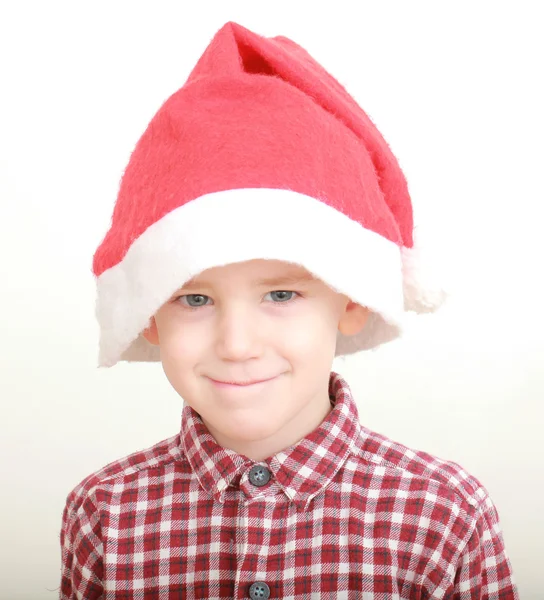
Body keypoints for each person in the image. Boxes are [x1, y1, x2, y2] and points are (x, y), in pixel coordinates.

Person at [59, 20, 519, 599]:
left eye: (281, 295)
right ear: (150, 315)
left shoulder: (443, 515)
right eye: (195, 298)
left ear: (351, 301)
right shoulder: (104, 514)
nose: (237, 343)